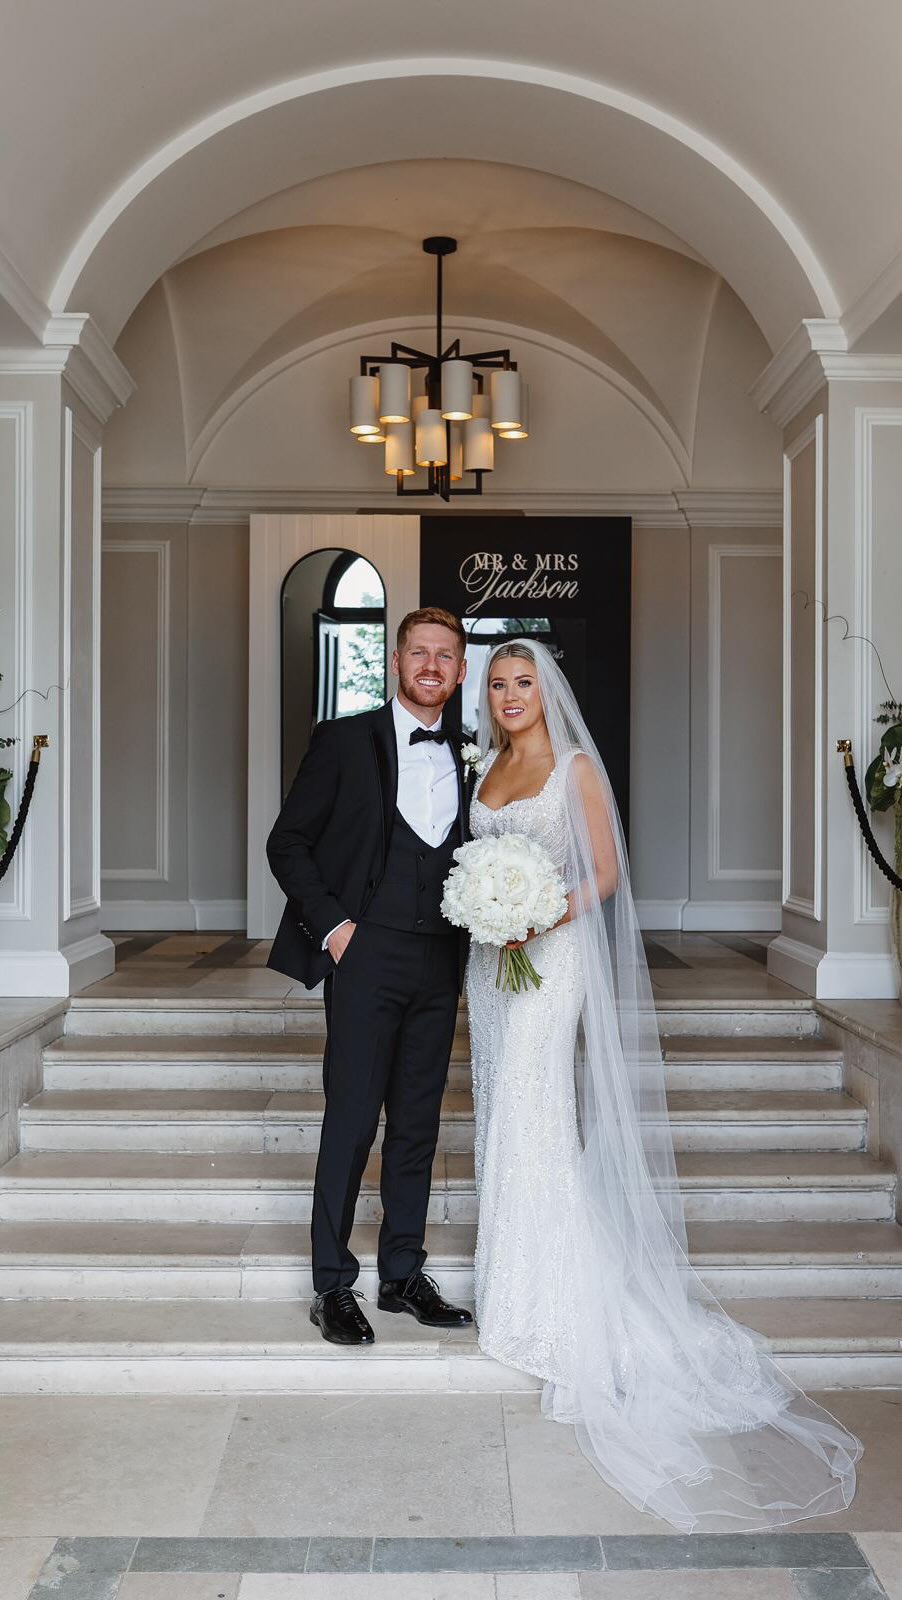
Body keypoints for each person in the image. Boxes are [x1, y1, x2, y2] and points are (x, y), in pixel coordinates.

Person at [466, 636, 861, 1532]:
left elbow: (603, 876)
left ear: (546, 690)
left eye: (523, 681)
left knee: (535, 1115)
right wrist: (490, 917)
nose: (511, 694)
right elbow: (473, 867)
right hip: (488, 969)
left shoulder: (573, 771)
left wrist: (534, 915)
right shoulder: (484, 769)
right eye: (498, 684)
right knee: (501, 1111)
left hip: (547, 957)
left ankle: (557, 1308)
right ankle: (512, 1285)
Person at [266, 607, 474, 1345]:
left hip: (440, 960)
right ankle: (332, 1284)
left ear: (459, 669)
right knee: (353, 1121)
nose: (431, 665)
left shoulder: (477, 752)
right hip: (365, 953)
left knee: (418, 1124)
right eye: (419, 652)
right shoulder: (345, 740)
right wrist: (336, 928)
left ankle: (402, 1275)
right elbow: (287, 842)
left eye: (445, 655)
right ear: (397, 661)